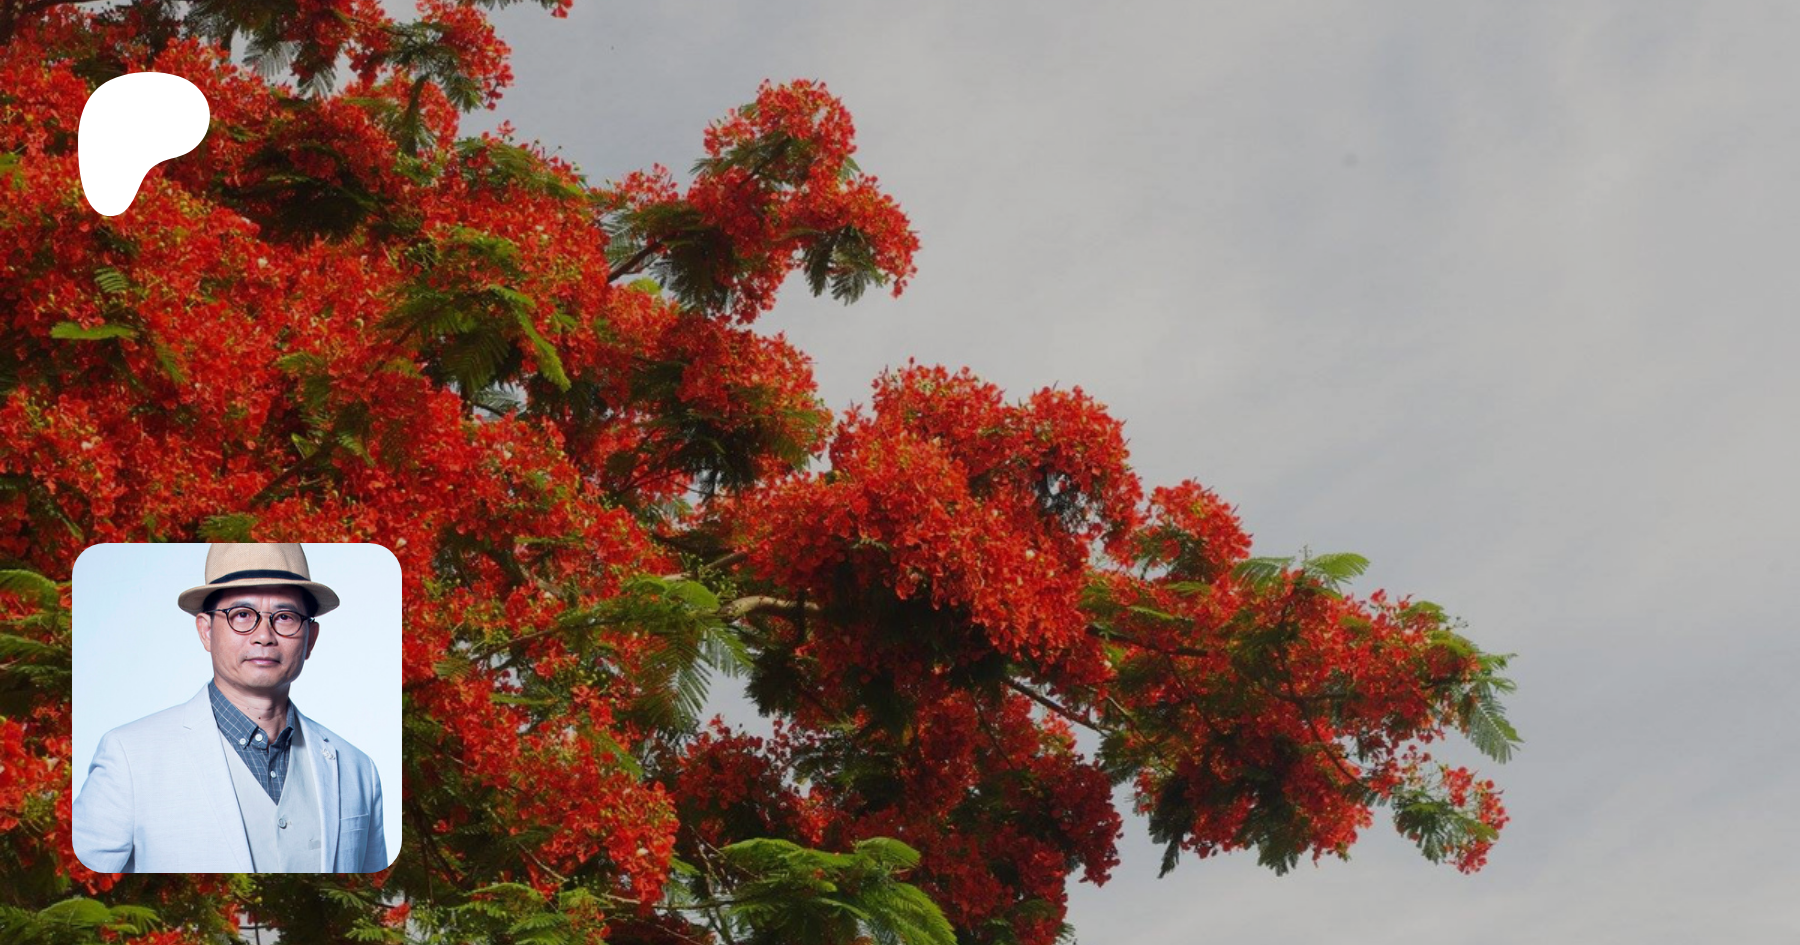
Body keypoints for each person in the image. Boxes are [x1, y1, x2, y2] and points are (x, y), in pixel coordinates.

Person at [72, 542, 388, 873]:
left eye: (285, 617)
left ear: (311, 637)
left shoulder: (357, 769)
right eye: (242, 615)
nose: (264, 636)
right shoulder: (129, 757)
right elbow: (80, 887)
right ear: (206, 631)